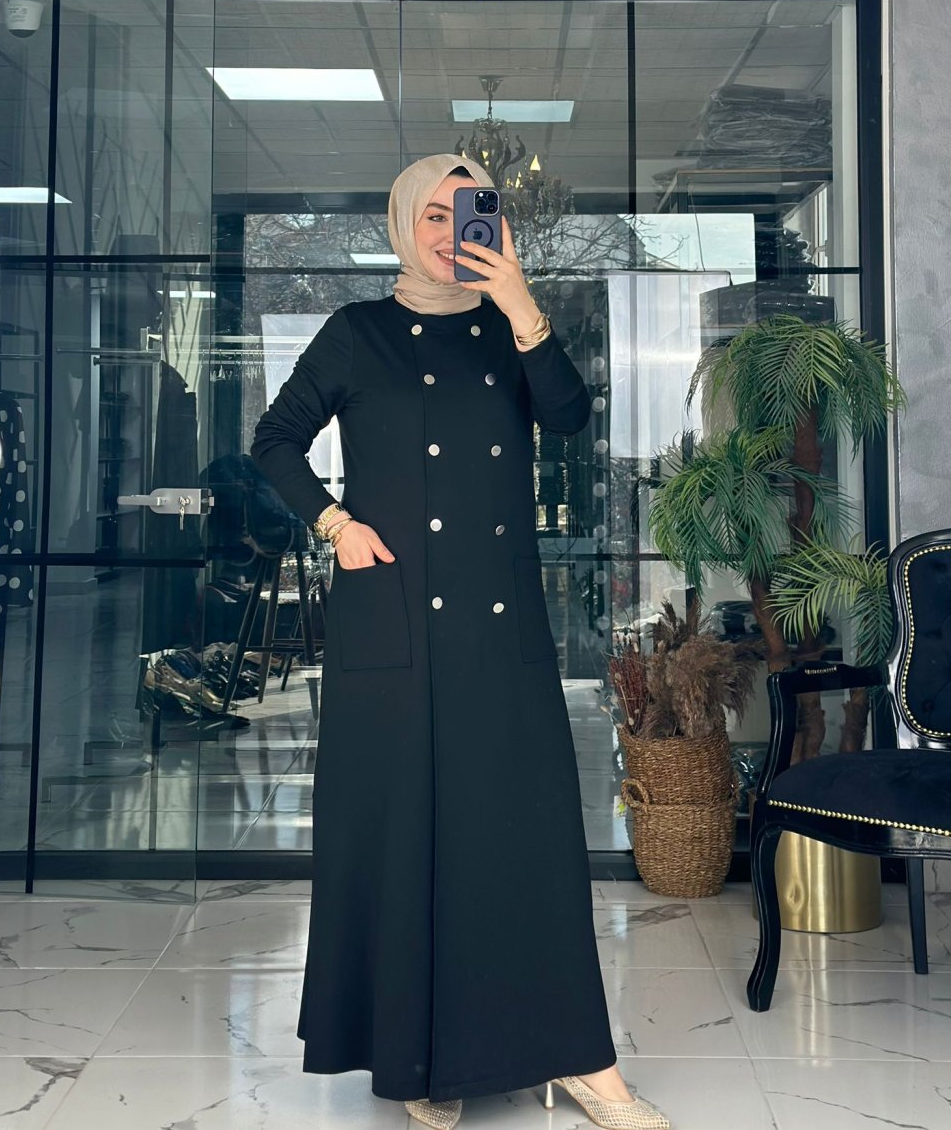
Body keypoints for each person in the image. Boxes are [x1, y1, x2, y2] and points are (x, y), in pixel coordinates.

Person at [250, 154, 670, 1130]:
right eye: (431, 214)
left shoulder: (507, 327)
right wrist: (334, 523)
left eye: (468, 211)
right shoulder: (357, 333)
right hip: (390, 620)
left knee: (522, 834)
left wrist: (520, 301)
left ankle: (584, 1061)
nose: (449, 231)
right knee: (406, 836)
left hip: (499, 620)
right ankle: (421, 1057)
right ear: (403, 222)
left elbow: (569, 419)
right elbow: (274, 439)